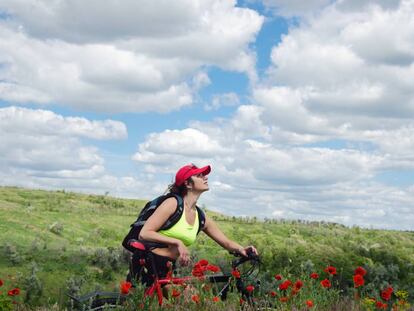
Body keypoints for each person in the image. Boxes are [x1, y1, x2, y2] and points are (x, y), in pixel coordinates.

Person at [136, 163, 257, 286]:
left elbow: (226, 243)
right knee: (184, 299)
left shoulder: (200, 217)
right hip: (148, 263)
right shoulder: (172, 204)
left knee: (190, 299)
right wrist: (178, 242)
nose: (205, 178)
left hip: (170, 268)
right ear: (187, 184)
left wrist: (242, 249)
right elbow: (145, 233)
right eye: (199, 176)